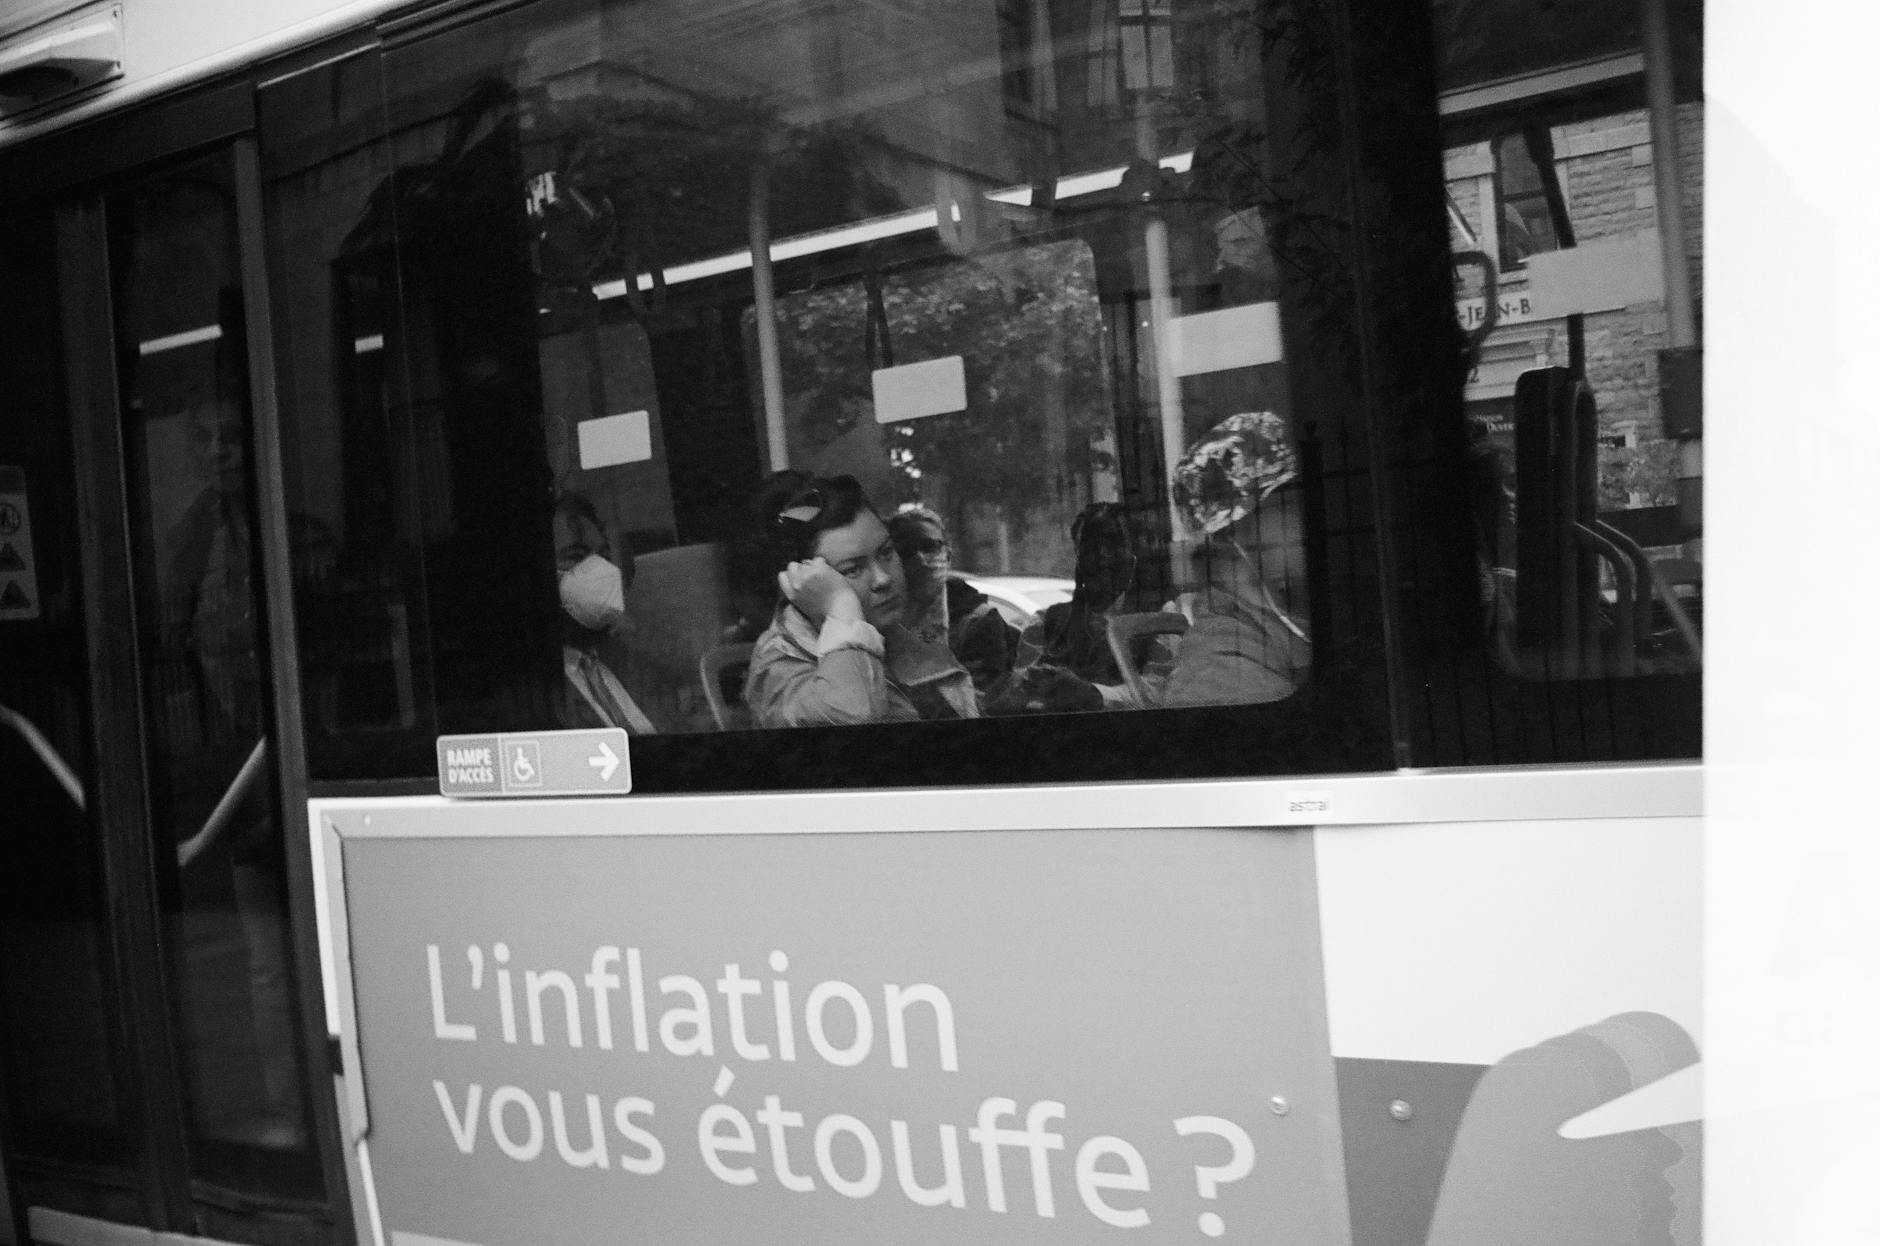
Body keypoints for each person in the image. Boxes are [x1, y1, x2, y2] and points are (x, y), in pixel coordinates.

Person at [744, 472, 978, 726]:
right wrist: (840, 605)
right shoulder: (779, 667)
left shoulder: (894, 636)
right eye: (852, 570)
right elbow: (853, 717)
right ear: (802, 583)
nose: (882, 579)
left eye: (886, 552)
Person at [1160, 410, 1312, 706]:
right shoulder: (1222, 675)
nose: (1307, 514)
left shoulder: (1271, 628)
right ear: (1232, 535)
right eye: (1288, 503)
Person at [884, 506, 1018, 693]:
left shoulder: (979, 623)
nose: (920, 559)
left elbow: (986, 699)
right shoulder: (877, 620)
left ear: (948, 555)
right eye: (905, 551)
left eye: (930, 547)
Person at [553, 493, 657, 733]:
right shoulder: (531, 693)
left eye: (603, 556)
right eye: (576, 556)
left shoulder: (630, 667)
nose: (599, 570)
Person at [1025, 501, 1137, 704]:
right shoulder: (1047, 623)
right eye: (1090, 547)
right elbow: (1023, 686)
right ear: (1078, 554)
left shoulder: (1157, 623)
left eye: (1112, 545)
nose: (1102, 558)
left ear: (1133, 553)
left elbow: (1161, 689)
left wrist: (1093, 693)